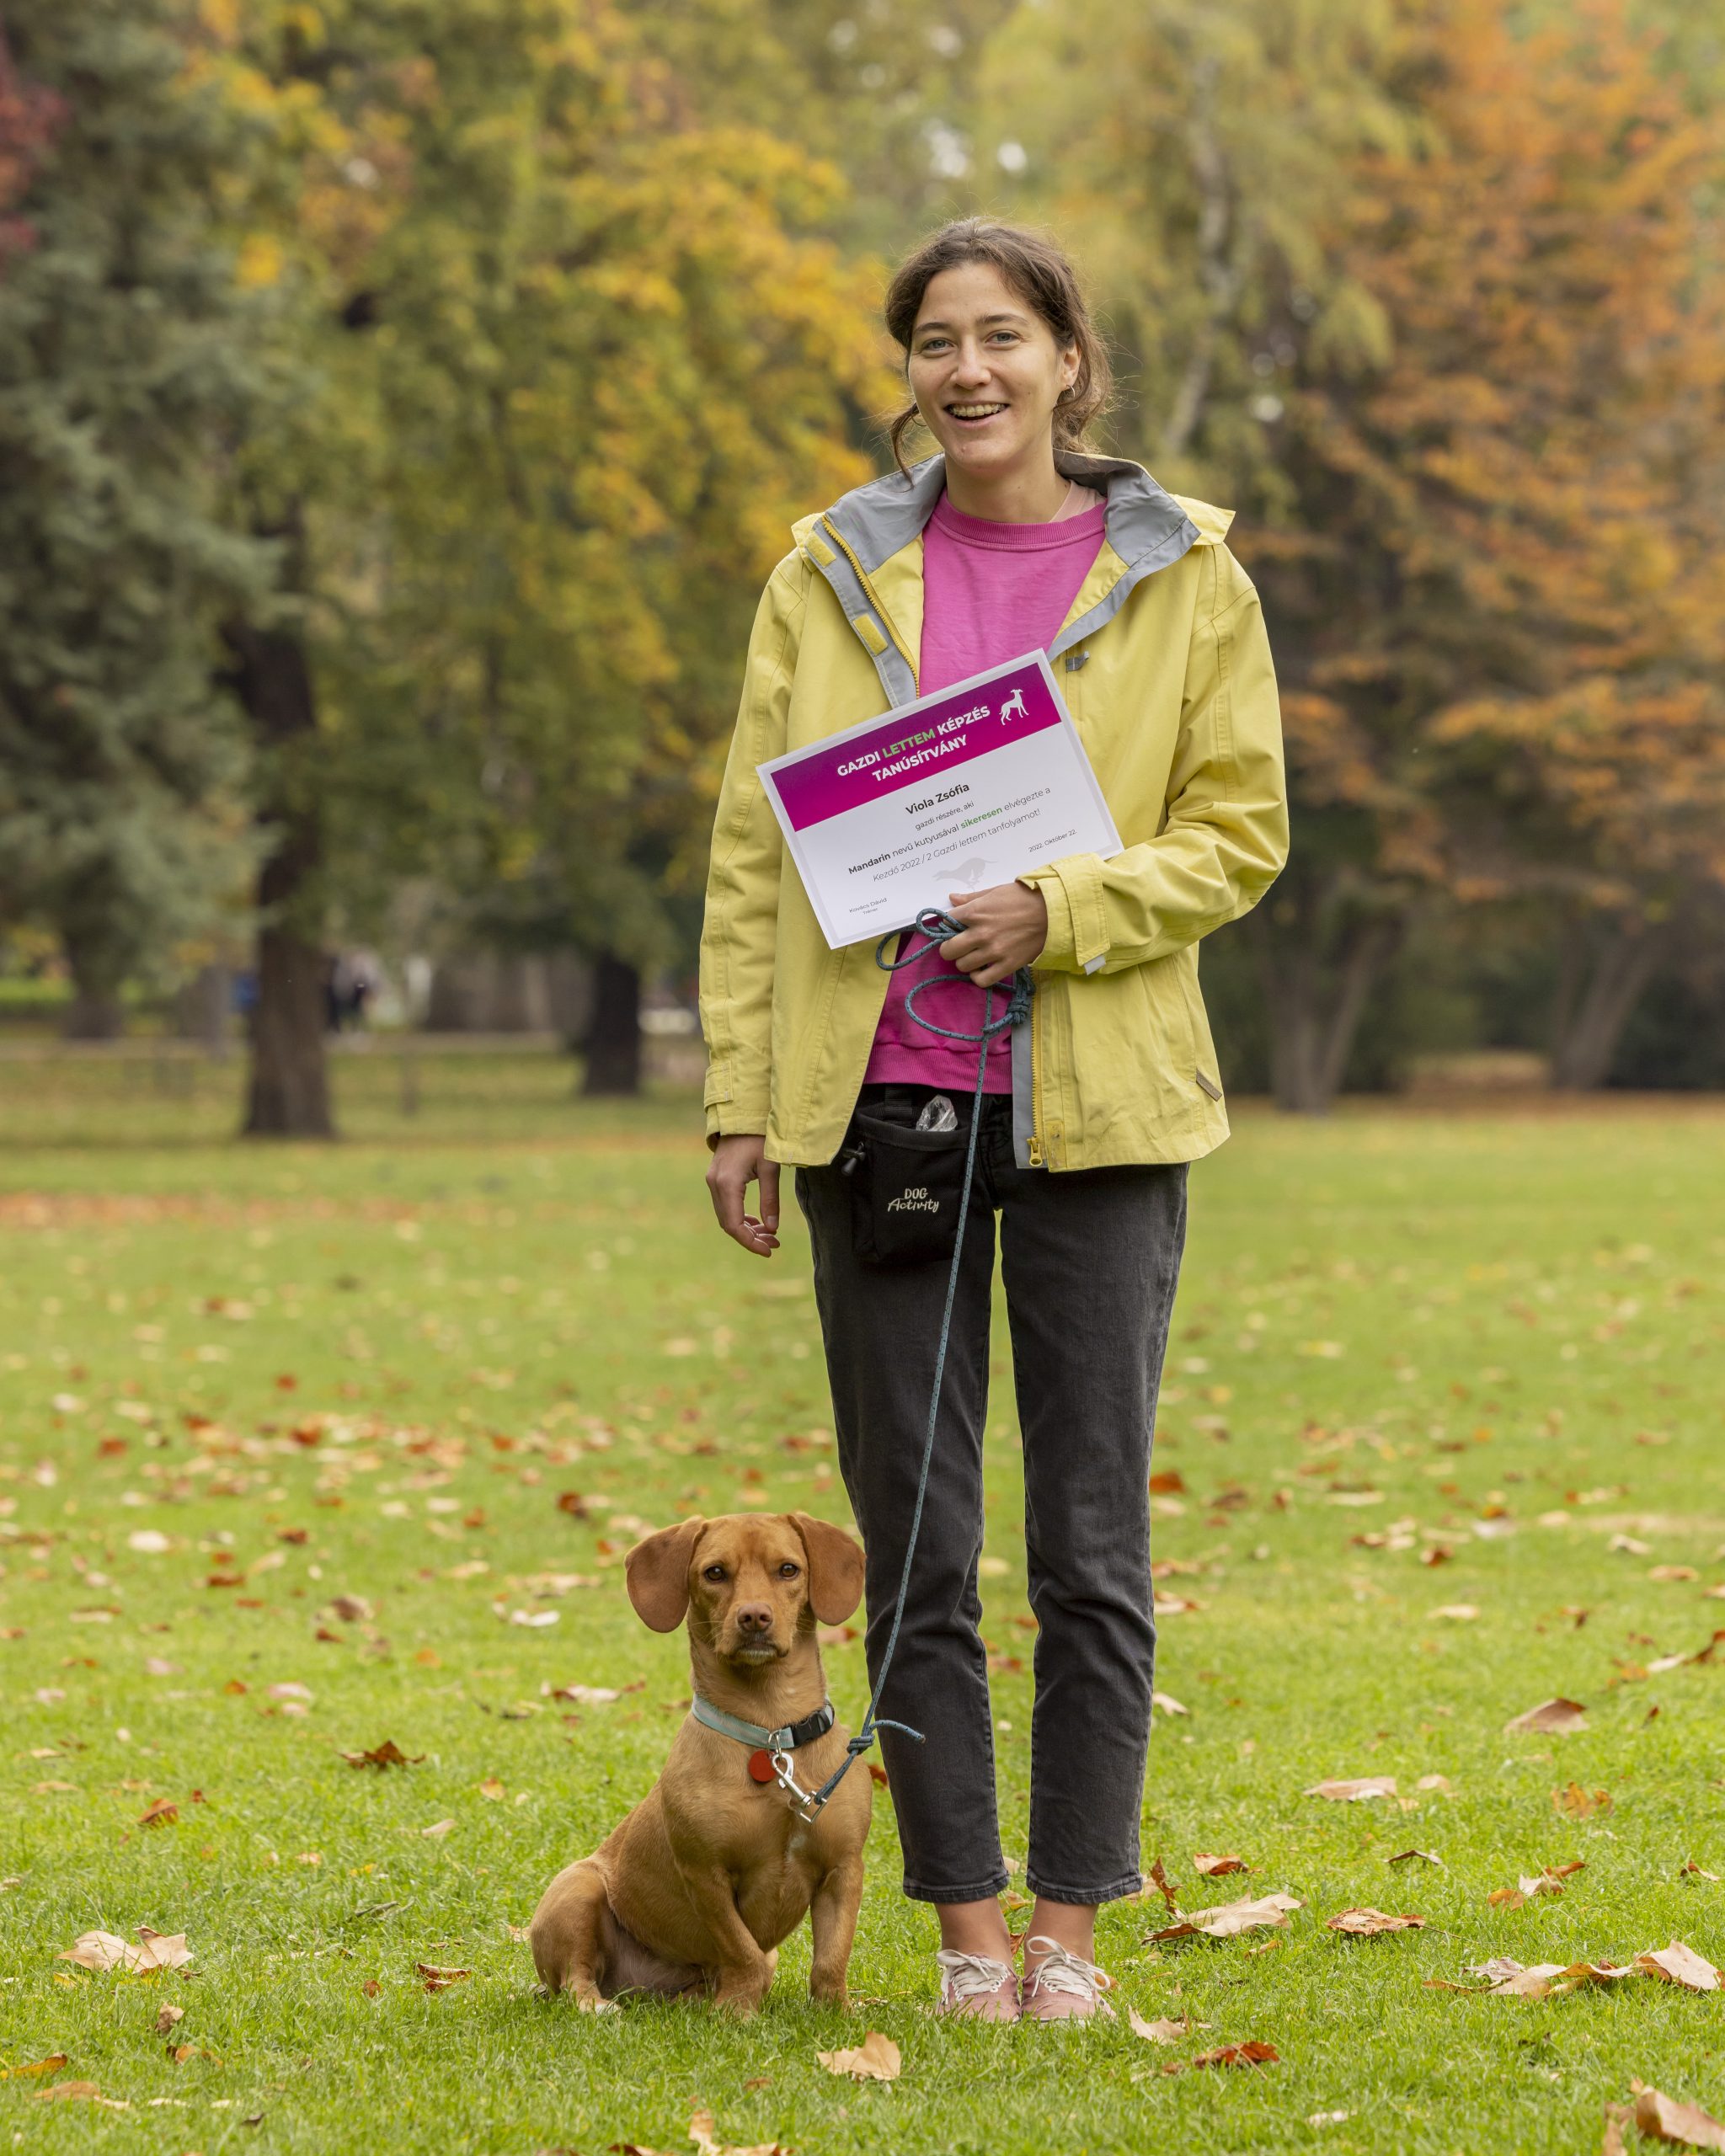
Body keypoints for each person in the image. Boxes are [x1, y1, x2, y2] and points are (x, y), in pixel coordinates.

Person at [698, 219, 1288, 2023]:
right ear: (912, 370)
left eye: (1003, 337)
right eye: (937, 340)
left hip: (1103, 1114)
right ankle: (962, 1935)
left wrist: (1067, 908)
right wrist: (737, 1103)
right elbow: (751, 849)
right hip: (881, 1105)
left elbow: (1238, 829)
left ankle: (1069, 1941)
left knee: (1094, 1546)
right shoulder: (826, 570)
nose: (968, 369)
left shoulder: (1186, 573)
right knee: (915, 1544)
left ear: (1065, 363)